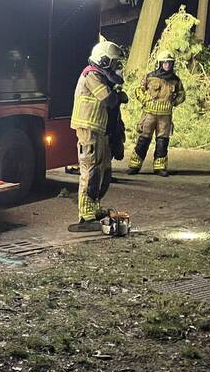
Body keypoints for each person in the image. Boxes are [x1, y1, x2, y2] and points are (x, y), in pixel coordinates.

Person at [69, 40, 129, 232]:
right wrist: (119, 96)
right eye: (113, 63)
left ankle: (94, 208)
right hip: (88, 129)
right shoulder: (91, 75)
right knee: (91, 170)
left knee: (103, 169)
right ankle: (85, 215)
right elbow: (109, 99)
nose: (116, 67)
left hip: (98, 129)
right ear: (103, 61)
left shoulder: (101, 76)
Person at [128, 50, 185, 176]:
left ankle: (160, 167)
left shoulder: (175, 80)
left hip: (165, 116)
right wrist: (145, 101)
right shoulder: (150, 77)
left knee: (162, 142)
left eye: (170, 63)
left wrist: (173, 103)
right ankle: (134, 165)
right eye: (165, 63)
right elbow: (138, 90)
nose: (167, 65)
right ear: (160, 63)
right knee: (143, 140)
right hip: (149, 114)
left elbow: (182, 95)